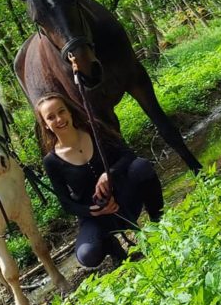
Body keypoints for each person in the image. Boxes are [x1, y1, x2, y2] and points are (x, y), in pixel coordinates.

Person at [36, 92, 163, 269]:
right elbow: (66, 203)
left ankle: (159, 220)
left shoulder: (94, 129)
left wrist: (109, 174)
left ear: (70, 112)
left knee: (141, 166)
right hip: (97, 217)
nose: (59, 119)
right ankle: (114, 249)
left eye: (61, 111)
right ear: (46, 125)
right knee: (87, 255)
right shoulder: (51, 161)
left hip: (125, 198)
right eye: (51, 117)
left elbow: (128, 155)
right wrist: (92, 211)